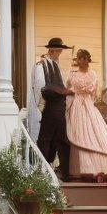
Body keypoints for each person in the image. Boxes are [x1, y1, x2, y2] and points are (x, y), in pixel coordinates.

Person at [66, 49, 107, 182]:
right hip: (76, 107)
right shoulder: (72, 74)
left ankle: (99, 169)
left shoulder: (92, 74)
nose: (81, 61)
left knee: (95, 134)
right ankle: (82, 170)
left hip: (89, 106)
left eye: (84, 58)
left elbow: (93, 93)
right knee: (80, 134)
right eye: (79, 58)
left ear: (87, 60)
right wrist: (70, 105)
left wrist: (83, 94)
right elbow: (68, 91)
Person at [32, 37, 72, 176]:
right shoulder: (41, 66)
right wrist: (42, 107)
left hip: (59, 107)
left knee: (59, 140)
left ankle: (62, 172)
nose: (60, 54)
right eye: (58, 51)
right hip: (50, 107)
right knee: (46, 139)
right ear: (52, 50)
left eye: (60, 51)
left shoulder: (55, 65)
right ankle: (43, 170)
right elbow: (40, 88)